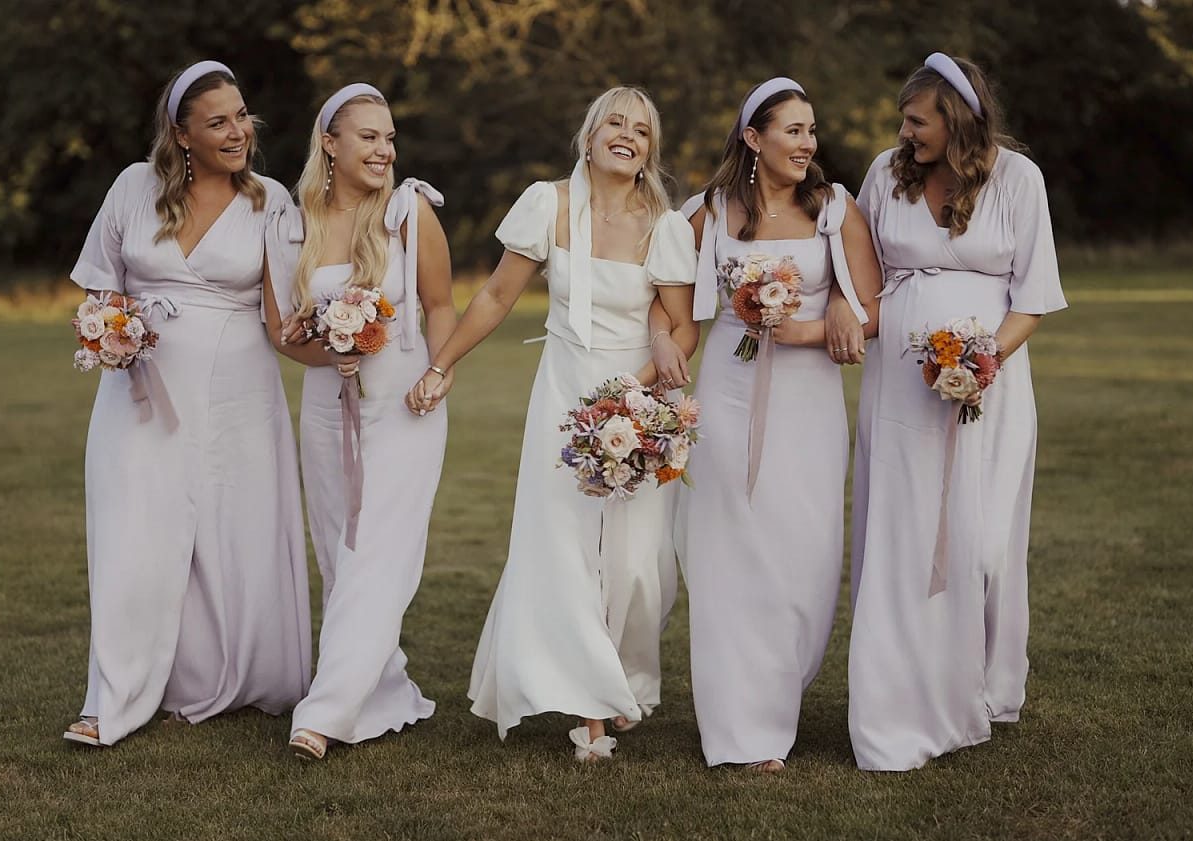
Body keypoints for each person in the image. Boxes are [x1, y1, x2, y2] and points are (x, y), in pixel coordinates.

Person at [411, 87, 698, 762]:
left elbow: (681, 325)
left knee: (637, 568)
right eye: (615, 124)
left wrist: (645, 377)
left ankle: (620, 680)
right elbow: (496, 295)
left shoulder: (668, 225)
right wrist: (441, 365)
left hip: (638, 400)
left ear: (650, 149)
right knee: (562, 547)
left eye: (642, 130)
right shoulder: (548, 203)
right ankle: (590, 710)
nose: (627, 135)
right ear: (590, 135)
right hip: (565, 394)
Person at [63, 61, 311, 747]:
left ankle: (221, 679)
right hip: (138, 392)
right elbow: (99, 288)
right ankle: (111, 697)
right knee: (130, 535)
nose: (239, 132)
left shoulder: (271, 199)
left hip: (241, 392)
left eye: (241, 116)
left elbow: (281, 318)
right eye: (219, 122)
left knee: (234, 534)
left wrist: (351, 347)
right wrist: (110, 330)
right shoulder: (132, 187)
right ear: (182, 134)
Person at [845, 53, 1067, 771]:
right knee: (904, 531)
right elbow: (858, 271)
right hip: (900, 383)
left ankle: (987, 684)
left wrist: (981, 362)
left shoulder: (1018, 180)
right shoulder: (886, 173)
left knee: (984, 539)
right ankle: (899, 689)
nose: (905, 132)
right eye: (904, 120)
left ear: (958, 120)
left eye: (918, 121)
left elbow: (1032, 297)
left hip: (989, 382)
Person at [671, 77, 880, 772]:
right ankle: (740, 724)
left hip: (808, 406)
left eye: (811, 131)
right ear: (754, 139)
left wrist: (816, 326)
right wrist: (660, 354)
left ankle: (781, 688)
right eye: (793, 130)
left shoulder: (835, 210)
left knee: (802, 553)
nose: (808, 143)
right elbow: (666, 296)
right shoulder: (710, 213)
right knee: (729, 552)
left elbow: (872, 309)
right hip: (728, 396)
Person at [262, 83, 455, 761]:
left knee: (378, 552)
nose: (384, 149)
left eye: (390, 137)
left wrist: (440, 370)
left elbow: (439, 304)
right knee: (340, 554)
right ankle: (381, 686)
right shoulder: (288, 225)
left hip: (406, 404)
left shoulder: (410, 211)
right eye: (369, 136)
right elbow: (282, 333)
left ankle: (324, 712)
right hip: (326, 405)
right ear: (330, 142)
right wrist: (335, 349)